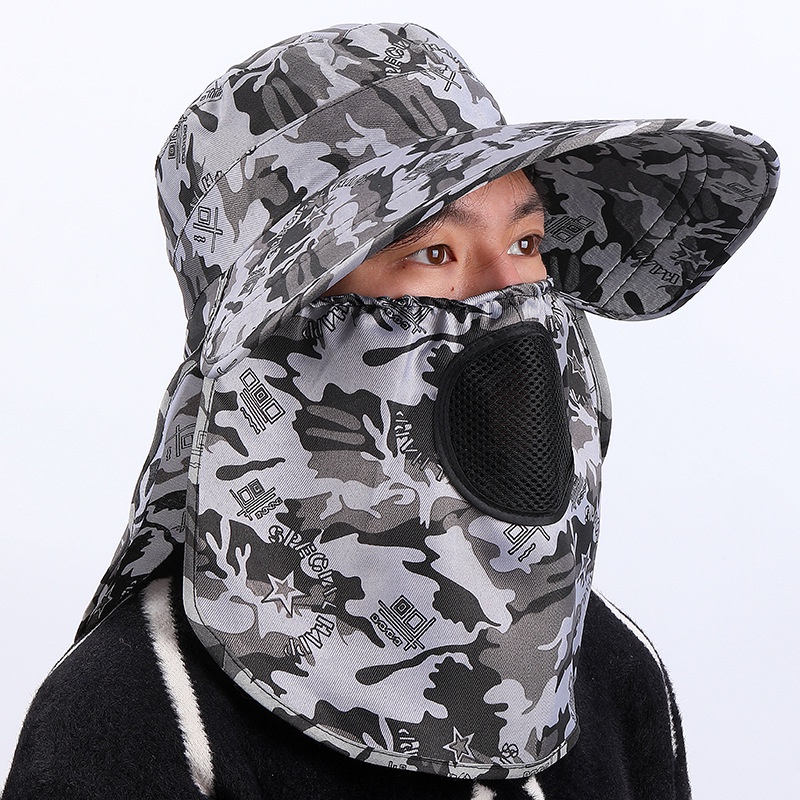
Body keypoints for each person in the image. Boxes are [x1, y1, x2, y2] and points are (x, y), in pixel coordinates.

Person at [2, 21, 778, 800]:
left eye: (528, 242)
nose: (511, 300)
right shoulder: (139, 712)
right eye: (433, 253)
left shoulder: (604, 666)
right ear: (287, 331)